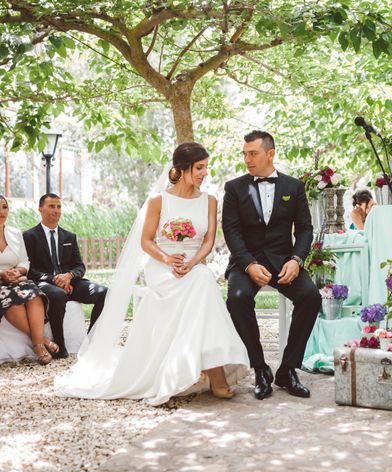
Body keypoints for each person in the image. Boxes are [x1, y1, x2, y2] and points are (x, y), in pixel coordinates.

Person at [55, 143, 249, 404]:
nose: (205, 173)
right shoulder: (159, 200)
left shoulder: (210, 201)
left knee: (202, 279)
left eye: (206, 167)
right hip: (161, 267)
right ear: (181, 169)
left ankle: (209, 368)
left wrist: (191, 263)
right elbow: (146, 241)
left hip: (193, 265)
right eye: (200, 168)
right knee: (202, 284)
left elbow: (208, 242)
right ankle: (214, 373)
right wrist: (169, 259)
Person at [222, 130, 321, 400]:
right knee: (238, 298)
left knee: (311, 297)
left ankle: (287, 370)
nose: (247, 159)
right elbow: (231, 232)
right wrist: (249, 264)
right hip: (246, 262)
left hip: (283, 261)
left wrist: (296, 260)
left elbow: (304, 229)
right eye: (244, 154)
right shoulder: (234, 188)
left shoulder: (293, 187)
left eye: (252, 153)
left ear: (270, 153)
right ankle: (260, 368)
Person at [22, 194, 108, 357]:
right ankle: (60, 347)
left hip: (70, 282)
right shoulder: (29, 236)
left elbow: (79, 266)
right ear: (40, 209)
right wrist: (54, 279)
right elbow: (29, 269)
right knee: (58, 295)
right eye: (51, 206)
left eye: (59, 206)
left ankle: (90, 341)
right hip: (45, 283)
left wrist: (68, 276)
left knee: (104, 293)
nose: (56, 210)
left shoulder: (69, 236)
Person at [0, 195, 58, 364]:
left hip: (17, 279)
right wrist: (2, 275)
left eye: (4, 207)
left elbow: (25, 260)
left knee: (34, 296)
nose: (1, 211)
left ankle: (39, 343)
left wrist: (18, 271)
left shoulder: (15, 233)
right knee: (13, 303)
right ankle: (42, 344)